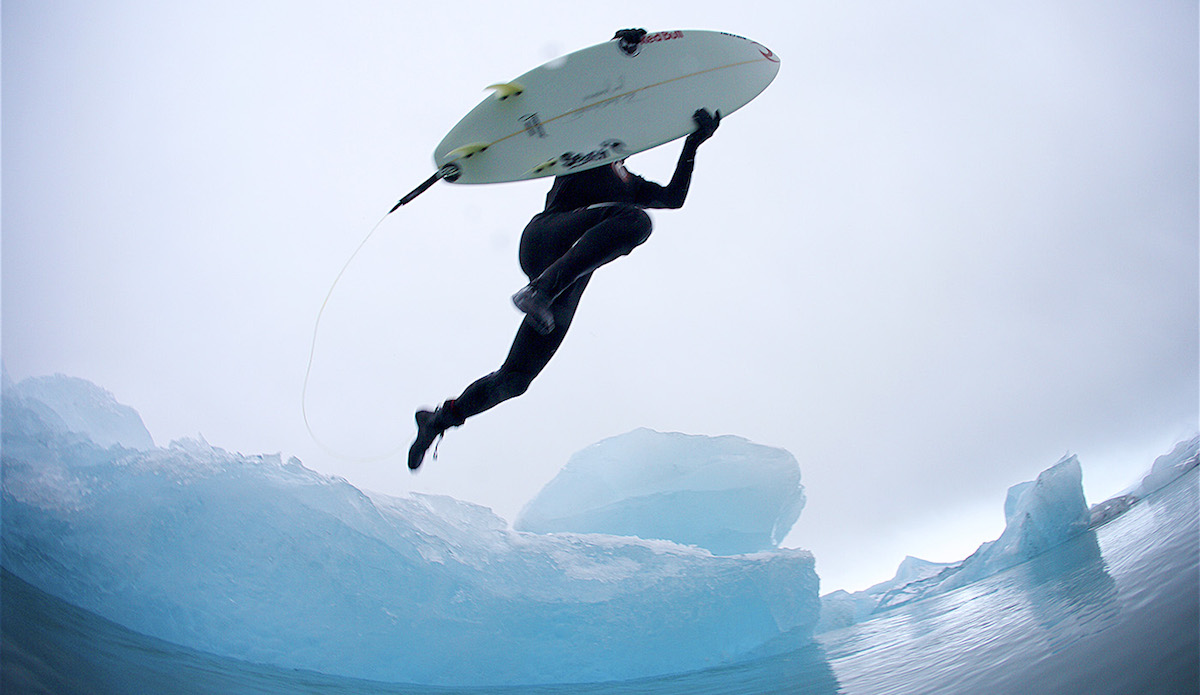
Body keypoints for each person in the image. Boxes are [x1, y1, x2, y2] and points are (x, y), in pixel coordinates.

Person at [407, 102, 720, 470]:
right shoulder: (588, 153)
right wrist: (627, 45)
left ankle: (440, 419)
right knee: (636, 222)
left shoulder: (630, 184)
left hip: (563, 284)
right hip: (544, 239)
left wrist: (693, 143)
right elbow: (598, 92)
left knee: (516, 380)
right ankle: (538, 292)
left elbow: (673, 199)